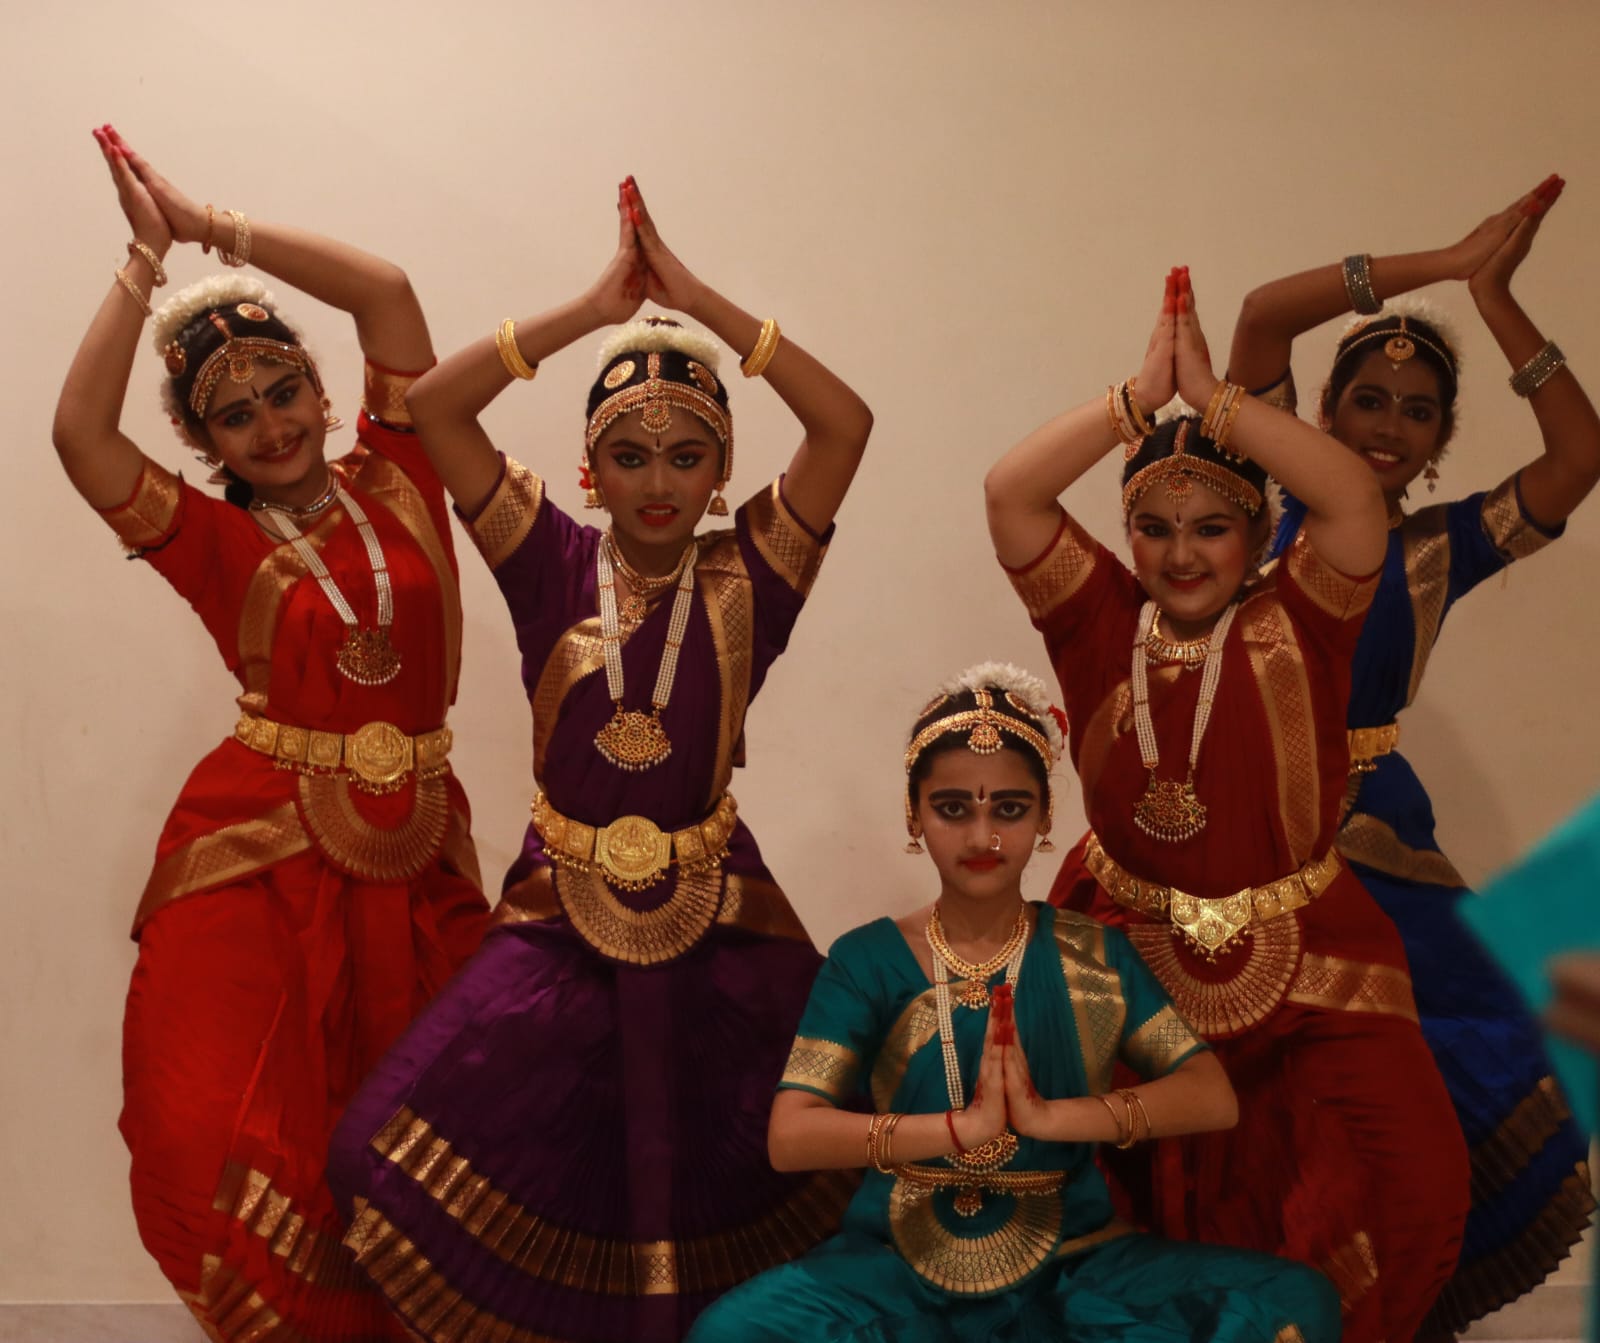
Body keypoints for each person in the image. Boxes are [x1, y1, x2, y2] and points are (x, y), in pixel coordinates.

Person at [328, 177, 874, 1342]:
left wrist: (701, 306)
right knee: (380, 1145)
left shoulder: (753, 573)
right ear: (590, 470)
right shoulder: (548, 556)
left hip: (720, 904)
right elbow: (434, 407)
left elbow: (844, 426)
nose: (659, 482)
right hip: (558, 902)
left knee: (817, 1136)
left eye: (687, 457)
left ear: (721, 470)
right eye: (629, 455)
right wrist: (593, 310)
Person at [51, 127, 489, 1339]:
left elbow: (386, 292)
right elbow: (80, 436)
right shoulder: (214, 540)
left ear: (320, 387)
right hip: (260, 853)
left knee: (445, 1124)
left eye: (281, 390)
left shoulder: (401, 470)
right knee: (220, 1118)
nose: (270, 425)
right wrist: (142, 263)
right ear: (207, 447)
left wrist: (207, 226)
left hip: (417, 848)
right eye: (233, 416)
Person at [985, 267, 1469, 1343]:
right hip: (1130, 943)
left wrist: (1213, 399)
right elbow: (1011, 492)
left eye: (1210, 526)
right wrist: (1133, 400)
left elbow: (1351, 500)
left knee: (1416, 1187)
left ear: (1255, 534)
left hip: (1305, 946)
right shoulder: (1098, 619)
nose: (1180, 552)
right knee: (1124, 1196)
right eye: (1152, 527)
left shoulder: (1304, 614)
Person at [686, 665, 1341, 1342]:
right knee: (730, 1333)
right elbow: (791, 1135)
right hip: (899, 1262)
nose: (981, 838)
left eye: (1009, 808)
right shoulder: (867, 960)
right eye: (953, 809)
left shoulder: (1092, 954)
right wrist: (957, 1130)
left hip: (1075, 1258)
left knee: (1295, 1300)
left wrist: (1048, 1117)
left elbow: (1210, 1096)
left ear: (1045, 815)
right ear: (914, 813)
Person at [1228, 177, 1599, 1334]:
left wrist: (1495, 300)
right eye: (1369, 399)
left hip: (1378, 843)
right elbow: (1260, 315)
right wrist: (1440, 259)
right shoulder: (1260, 503)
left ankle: (1397, 1290)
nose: (1388, 424)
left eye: (1418, 411)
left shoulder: (1438, 550)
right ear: (1321, 411)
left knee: (1501, 1037)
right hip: (1241, 825)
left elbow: (1579, 453)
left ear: (1439, 443)